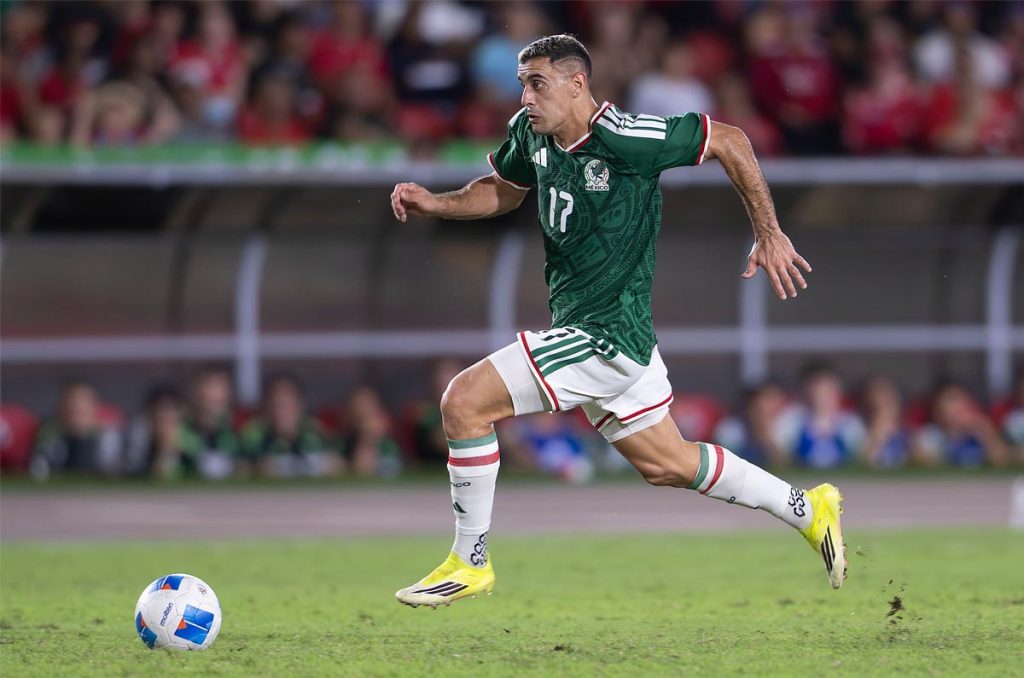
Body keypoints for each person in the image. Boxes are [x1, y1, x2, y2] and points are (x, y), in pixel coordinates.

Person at [389, 34, 843, 609]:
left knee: (463, 402)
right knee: (669, 464)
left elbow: (730, 139)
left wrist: (769, 232)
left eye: (537, 83)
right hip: (612, 340)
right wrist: (438, 202)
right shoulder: (531, 134)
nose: (525, 96)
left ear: (577, 83)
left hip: (603, 337)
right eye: (522, 83)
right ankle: (807, 509)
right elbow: (503, 192)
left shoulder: (626, 138)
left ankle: (469, 561)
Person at [31, 381, 122, 481]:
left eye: (80, 410)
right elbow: (39, 469)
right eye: (71, 410)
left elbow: (116, 469)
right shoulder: (50, 433)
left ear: (94, 407)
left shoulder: (109, 435)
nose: (75, 406)